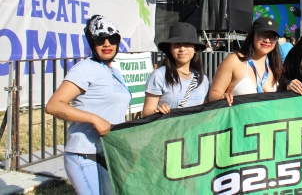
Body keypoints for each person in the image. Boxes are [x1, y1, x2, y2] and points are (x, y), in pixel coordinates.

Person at [46, 15, 130, 195]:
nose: (107, 44)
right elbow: (53, 105)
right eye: (100, 40)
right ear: (92, 43)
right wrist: (93, 118)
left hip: (108, 153)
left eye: (112, 39)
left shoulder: (114, 72)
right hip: (84, 155)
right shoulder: (84, 69)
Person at [209, 17, 282, 105]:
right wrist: (221, 98)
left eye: (272, 37)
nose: (267, 40)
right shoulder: (234, 60)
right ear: (252, 35)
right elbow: (214, 92)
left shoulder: (274, 66)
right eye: (262, 34)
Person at [142, 22, 209, 117]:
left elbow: (207, 108)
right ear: (170, 49)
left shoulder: (202, 79)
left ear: (195, 49)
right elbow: (146, 112)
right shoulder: (159, 75)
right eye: (177, 44)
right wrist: (158, 111)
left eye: (187, 44)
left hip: (196, 130)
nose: (182, 49)